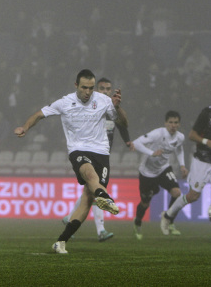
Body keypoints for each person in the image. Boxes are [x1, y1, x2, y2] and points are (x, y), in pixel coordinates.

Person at [14, 69, 128, 253]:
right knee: (89, 174)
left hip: (101, 153)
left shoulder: (104, 100)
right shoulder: (64, 102)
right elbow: (38, 115)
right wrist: (25, 127)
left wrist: (118, 107)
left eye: (91, 88)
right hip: (78, 150)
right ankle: (104, 197)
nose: (88, 92)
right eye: (84, 87)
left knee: (87, 200)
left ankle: (61, 241)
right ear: (76, 85)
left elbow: (124, 123)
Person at [160, 84, 211, 244]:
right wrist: (207, 142)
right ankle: (167, 215)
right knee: (193, 196)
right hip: (202, 160)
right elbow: (192, 135)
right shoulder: (206, 113)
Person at [62, 77, 134, 242]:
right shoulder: (91, 107)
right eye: (102, 89)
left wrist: (127, 140)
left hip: (102, 155)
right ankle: (100, 230)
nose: (106, 92)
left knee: (90, 191)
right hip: (88, 153)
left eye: (108, 89)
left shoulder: (110, 108)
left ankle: (70, 218)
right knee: (96, 190)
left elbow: (121, 123)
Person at [132, 111, 188, 240]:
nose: (173, 125)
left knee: (177, 193)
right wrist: (151, 153)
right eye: (170, 122)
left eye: (176, 123)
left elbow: (179, 148)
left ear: (179, 124)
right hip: (147, 173)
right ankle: (137, 223)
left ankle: (169, 220)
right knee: (145, 203)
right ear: (165, 123)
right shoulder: (158, 133)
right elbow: (136, 143)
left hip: (163, 169)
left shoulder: (180, 137)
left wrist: (182, 165)